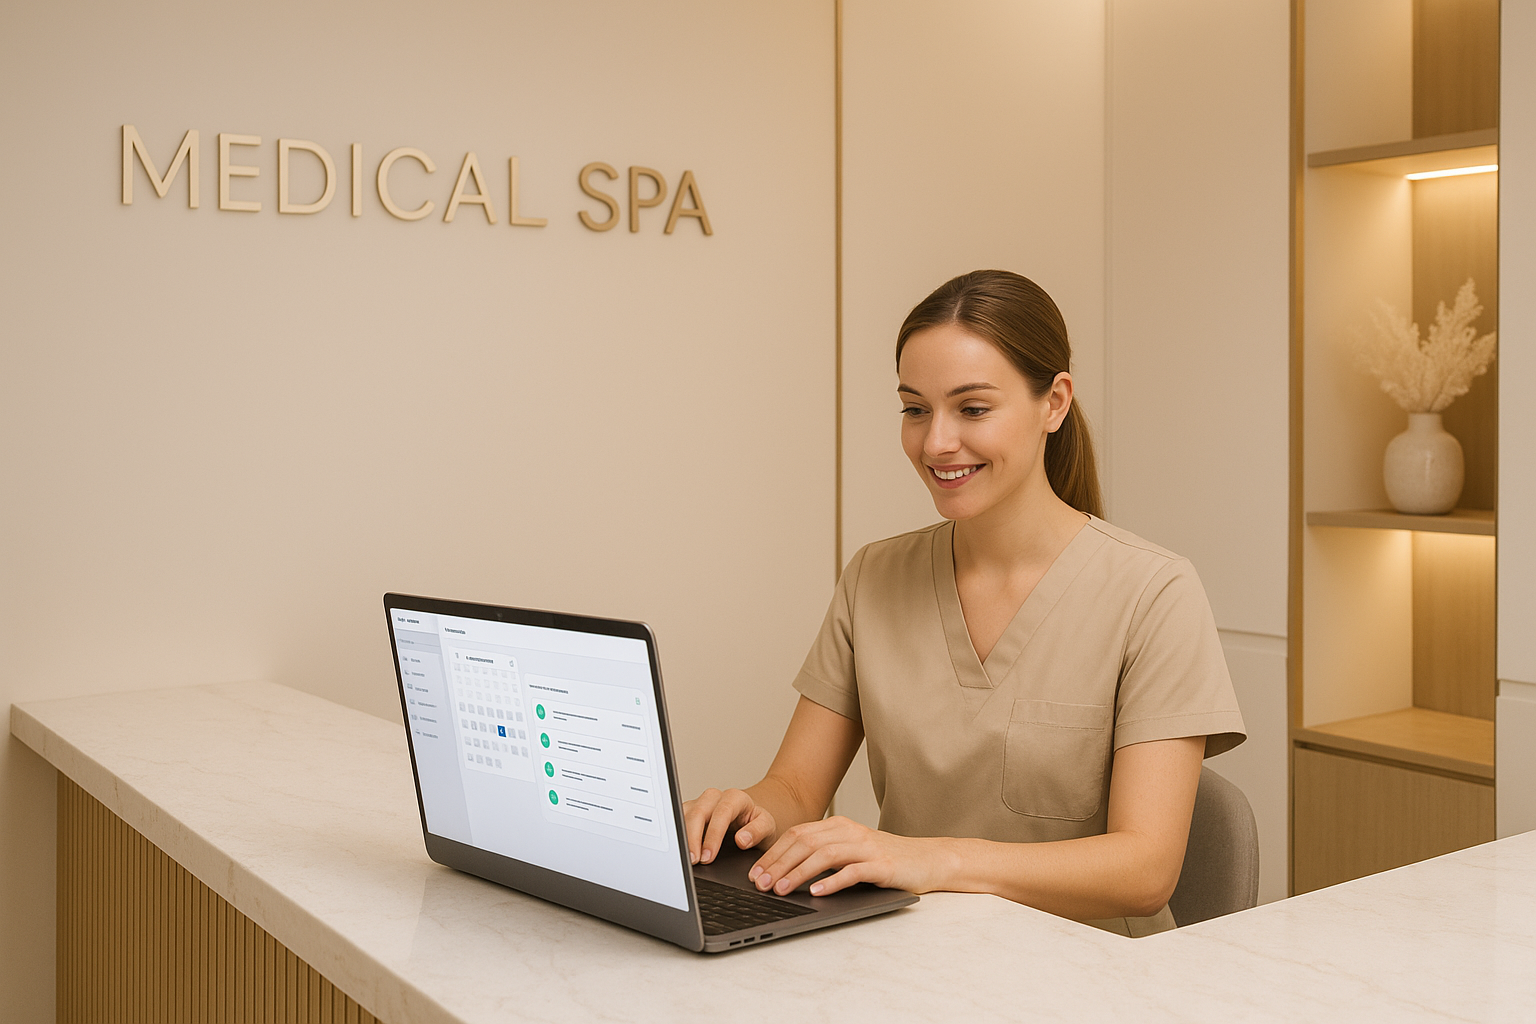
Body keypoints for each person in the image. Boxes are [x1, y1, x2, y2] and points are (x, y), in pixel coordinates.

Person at [684, 270, 1246, 936]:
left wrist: (931, 859)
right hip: (913, 964)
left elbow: (1144, 870)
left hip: (1091, 980)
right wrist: (748, 811)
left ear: (1054, 403)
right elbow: (799, 791)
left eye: (972, 409)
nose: (935, 442)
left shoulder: (1153, 593)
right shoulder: (875, 576)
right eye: (915, 408)